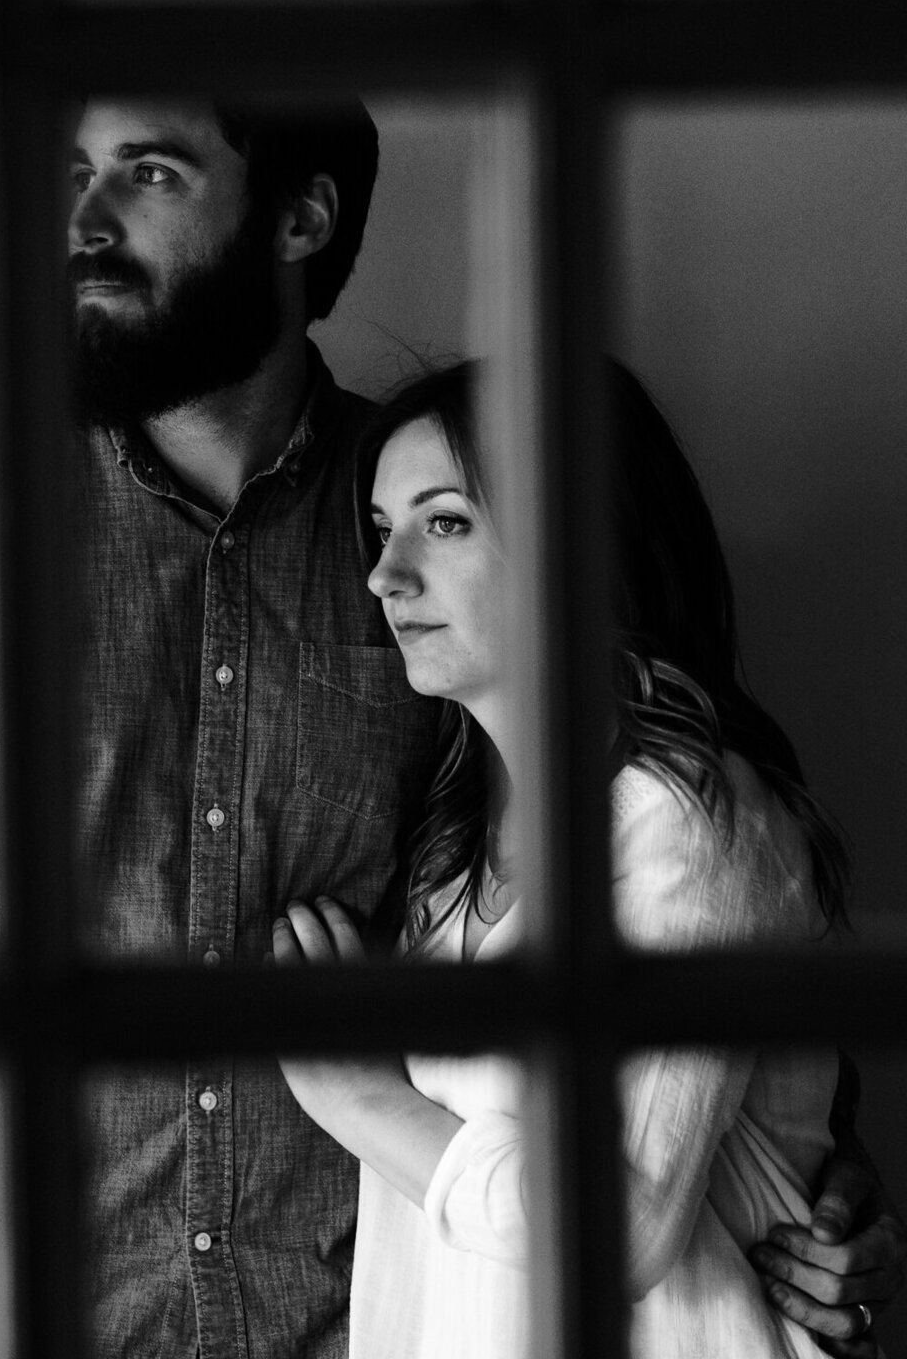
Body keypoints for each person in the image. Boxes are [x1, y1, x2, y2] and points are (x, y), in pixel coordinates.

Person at [0, 107, 901, 1359]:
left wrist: (805, 1186)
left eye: (150, 171)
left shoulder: (446, 531)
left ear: (301, 217)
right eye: (71, 173)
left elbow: (662, 936)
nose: (82, 220)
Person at [274, 358, 900, 1357]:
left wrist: (351, 1091)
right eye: (383, 529)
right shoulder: (447, 855)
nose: (384, 576)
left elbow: (624, 1224)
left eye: (444, 521)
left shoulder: (687, 815)